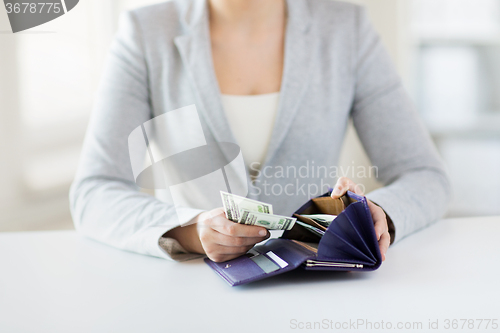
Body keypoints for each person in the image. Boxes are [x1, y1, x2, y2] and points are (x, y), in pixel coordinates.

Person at [70, 0, 451, 263]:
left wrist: (377, 213)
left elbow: (425, 175)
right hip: (192, 291)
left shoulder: (345, 30)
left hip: (316, 287)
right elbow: (95, 190)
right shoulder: (145, 33)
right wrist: (189, 231)